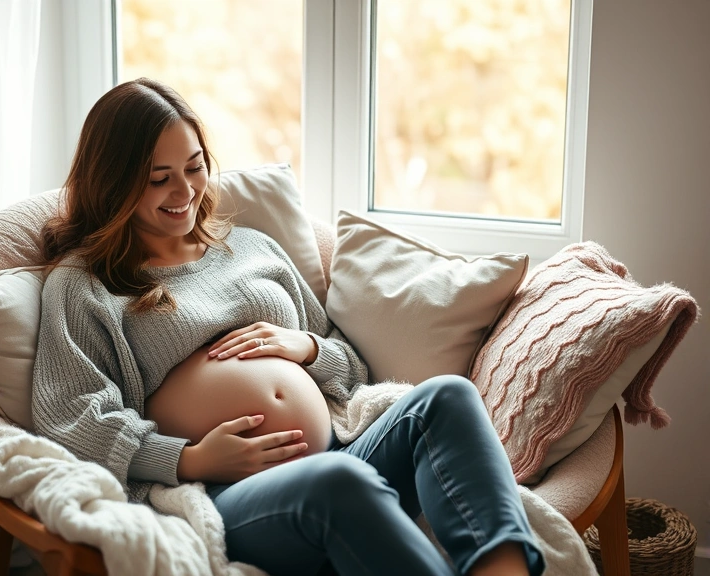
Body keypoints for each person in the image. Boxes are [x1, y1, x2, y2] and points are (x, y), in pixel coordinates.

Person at [32, 77, 544, 576]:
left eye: (194, 167)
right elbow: (72, 417)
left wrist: (306, 348)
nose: (184, 190)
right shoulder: (84, 284)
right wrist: (190, 459)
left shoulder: (251, 247)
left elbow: (353, 368)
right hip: (228, 493)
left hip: (338, 450)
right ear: (114, 181)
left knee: (447, 397)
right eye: (158, 177)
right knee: (338, 480)